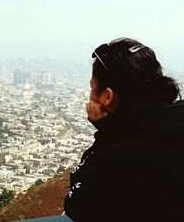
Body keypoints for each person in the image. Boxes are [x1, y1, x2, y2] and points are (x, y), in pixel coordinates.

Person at [64, 38, 184, 221]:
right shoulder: (171, 122)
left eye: (92, 87)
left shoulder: (120, 158)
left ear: (108, 96)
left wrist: (106, 133)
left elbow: (77, 204)